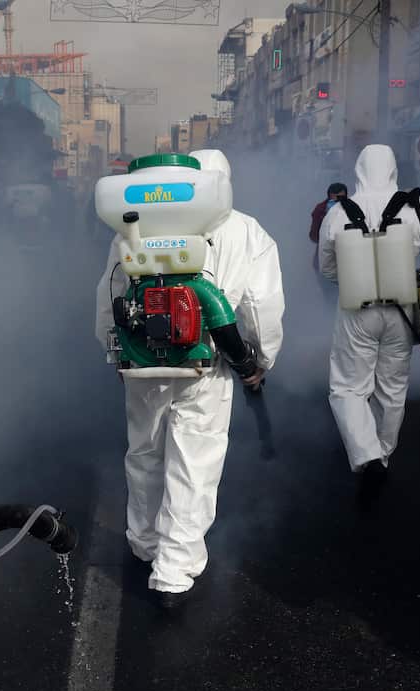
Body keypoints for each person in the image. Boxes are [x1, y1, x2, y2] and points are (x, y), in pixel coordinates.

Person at [95, 148, 284, 608]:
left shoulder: (132, 222)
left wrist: (113, 350)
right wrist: (260, 360)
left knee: (144, 451)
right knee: (193, 460)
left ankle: (143, 542)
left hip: (141, 359)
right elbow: (260, 306)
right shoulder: (246, 229)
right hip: (209, 363)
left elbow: (111, 294)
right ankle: (174, 570)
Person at [319, 144, 420, 498]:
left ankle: (367, 454)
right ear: (393, 170)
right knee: (391, 387)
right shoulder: (418, 205)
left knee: (348, 387)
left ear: (358, 170)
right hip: (404, 308)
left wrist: (352, 278)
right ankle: (382, 457)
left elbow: (327, 268)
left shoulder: (338, 212)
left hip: (357, 311)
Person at [309, 182, 348, 272]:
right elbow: (314, 236)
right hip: (326, 258)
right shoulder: (321, 209)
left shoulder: (352, 208)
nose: (338, 203)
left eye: (341, 199)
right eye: (335, 200)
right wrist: (325, 217)